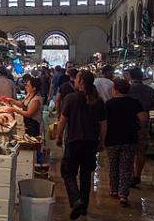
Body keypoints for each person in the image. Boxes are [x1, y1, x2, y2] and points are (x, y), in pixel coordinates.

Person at [56, 70, 107, 219]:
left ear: (82, 82)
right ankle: (83, 207)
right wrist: (102, 141)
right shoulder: (98, 101)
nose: (75, 81)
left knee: (67, 173)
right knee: (86, 175)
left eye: (77, 79)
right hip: (91, 143)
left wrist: (59, 136)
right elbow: (103, 124)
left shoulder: (71, 98)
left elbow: (63, 121)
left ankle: (76, 200)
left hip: (74, 142)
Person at [105, 78, 148, 206]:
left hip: (112, 139)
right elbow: (143, 118)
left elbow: (104, 123)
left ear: (115, 89)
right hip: (129, 138)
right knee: (126, 167)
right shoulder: (134, 103)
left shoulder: (109, 104)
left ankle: (113, 190)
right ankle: (123, 194)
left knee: (113, 166)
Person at [127, 67, 154, 186]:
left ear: (130, 76)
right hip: (143, 123)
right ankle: (137, 175)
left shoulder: (127, 89)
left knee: (128, 150)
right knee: (141, 151)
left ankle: (128, 175)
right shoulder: (149, 90)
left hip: (128, 122)